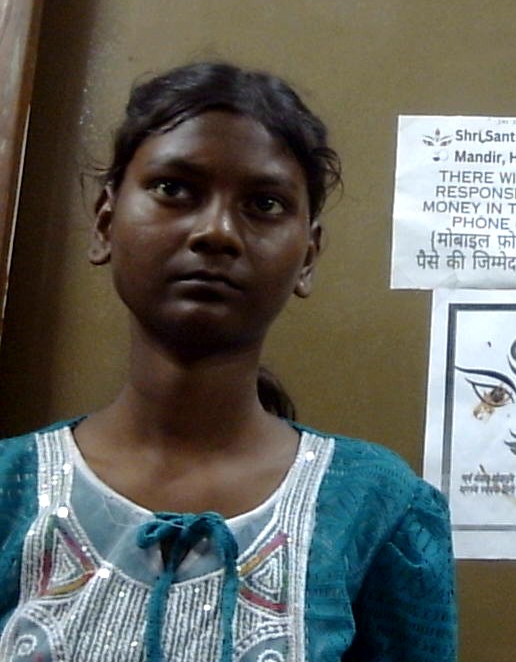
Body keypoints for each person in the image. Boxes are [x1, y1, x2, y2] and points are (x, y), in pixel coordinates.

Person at [0, 62, 456, 661]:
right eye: (174, 189)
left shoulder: (379, 508)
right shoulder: (9, 487)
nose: (217, 232)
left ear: (308, 256)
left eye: (264, 204)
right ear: (106, 222)